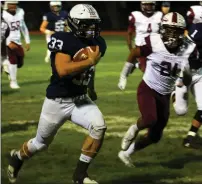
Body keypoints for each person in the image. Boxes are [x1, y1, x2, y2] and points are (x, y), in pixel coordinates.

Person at [7, 4, 107, 184]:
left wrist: (90, 87)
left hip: (80, 98)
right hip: (57, 101)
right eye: (87, 24)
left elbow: (91, 69)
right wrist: (89, 61)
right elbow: (62, 70)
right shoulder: (63, 39)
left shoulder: (98, 42)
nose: (92, 28)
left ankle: (79, 175)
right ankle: (17, 158)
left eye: (94, 24)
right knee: (40, 144)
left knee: (98, 127)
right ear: (75, 24)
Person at [117, 12, 190, 167]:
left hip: (165, 94)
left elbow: (189, 71)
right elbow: (134, 53)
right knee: (150, 119)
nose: (172, 34)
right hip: (148, 88)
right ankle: (134, 128)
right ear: (162, 29)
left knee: (155, 136)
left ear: (182, 32)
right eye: (169, 29)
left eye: (176, 31)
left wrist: (185, 81)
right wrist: (123, 76)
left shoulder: (187, 47)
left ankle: (126, 153)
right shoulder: (154, 41)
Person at [171, 2, 202, 149]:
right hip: (185, 71)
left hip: (200, 73)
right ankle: (173, 93)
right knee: (180, 111)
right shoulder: (196, 28)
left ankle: (190, 138)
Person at [126, 1, 163, 73]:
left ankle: (137, 64)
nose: (149, 7)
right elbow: (129, 33)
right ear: (142, 5)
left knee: (158, 70)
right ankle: (138, 64)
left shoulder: (159, 15)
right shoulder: (136, 16)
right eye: (147, 5)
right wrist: (131, 50)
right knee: (146, 71)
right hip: (141, 47)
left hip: (155, 47)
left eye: (151, 5)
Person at [2, 1, 30, 89]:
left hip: (18, 41)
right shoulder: (3, 15)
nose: (13, 6)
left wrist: (27, 40)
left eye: (14, 3)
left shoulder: (20, 12)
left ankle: (6, 64)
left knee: (20, 62)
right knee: (13, 61)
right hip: (6, 41)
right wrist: (7, 42)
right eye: (10, 4)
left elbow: (23, 26)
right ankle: (13, 82)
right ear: (6, 5)